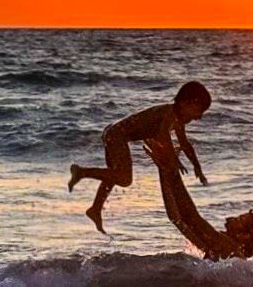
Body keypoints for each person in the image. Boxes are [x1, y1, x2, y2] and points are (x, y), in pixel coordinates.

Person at [69, 81, 211, 234]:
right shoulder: (170, 113)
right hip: (118, 135)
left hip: (114, 132)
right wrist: (174, 159)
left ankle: (95, 209)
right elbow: (163, 135)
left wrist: (197, 167)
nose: (199, 117)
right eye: (199, 111)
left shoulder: (176, 120)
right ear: (186, 103)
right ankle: (82, 172)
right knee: (124, 178)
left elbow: (185, 143)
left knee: (113, 175)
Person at [143, 132, 253, 260]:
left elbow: (189, 218)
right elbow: (178, 219)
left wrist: (170, 170)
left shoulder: (227, 247)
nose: (229, 218)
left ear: (245, 236)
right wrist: (166, 171)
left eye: (239, 220)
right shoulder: (227, 252)